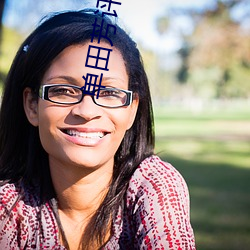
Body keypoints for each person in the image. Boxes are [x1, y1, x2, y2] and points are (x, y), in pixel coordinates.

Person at [0, 9, 195, 250]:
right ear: (32, 106)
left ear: (132, 110)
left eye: (109, 93)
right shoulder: (9, 207)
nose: (86, 110)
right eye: (64, 91)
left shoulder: (155, 186)